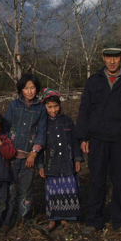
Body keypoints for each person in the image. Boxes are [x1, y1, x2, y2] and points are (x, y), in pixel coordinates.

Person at [75, 41, 121, 234]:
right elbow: (85, 111)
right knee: (97, 180)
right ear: (103, 58)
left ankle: (120, 221)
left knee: (120, 181)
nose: (112, 60)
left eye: (116, 56)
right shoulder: (93, 82)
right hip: (98, 140)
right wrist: (83, 137)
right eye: (108, 56)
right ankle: (93, 221)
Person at [0, 74, 47, 232]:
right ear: (21, 89)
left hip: (29, 157)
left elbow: (41, 133)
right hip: (12, 156)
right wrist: (7, 149)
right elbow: (5, 128)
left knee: (26, 189)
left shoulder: (41, 108)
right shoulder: (14, 105)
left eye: (32, 87)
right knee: (10, 188)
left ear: (37, 89)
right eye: (26, 88)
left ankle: (23, 219)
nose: (29, 91)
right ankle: (7, 219)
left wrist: (34, 153)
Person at [36, 89, 83, 232]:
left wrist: (78, 159)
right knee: (53, 193)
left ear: (59, 106)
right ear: (44, 107)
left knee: (68, 191)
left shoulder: (67, 120)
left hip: (67, 163)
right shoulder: (42, 124)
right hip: (52, 165)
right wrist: (40, 165)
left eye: (55, 106)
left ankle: (66, 219)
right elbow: (39, 145)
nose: (53, 110)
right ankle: (52, 220)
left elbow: (75, 141)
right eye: (49, 107)